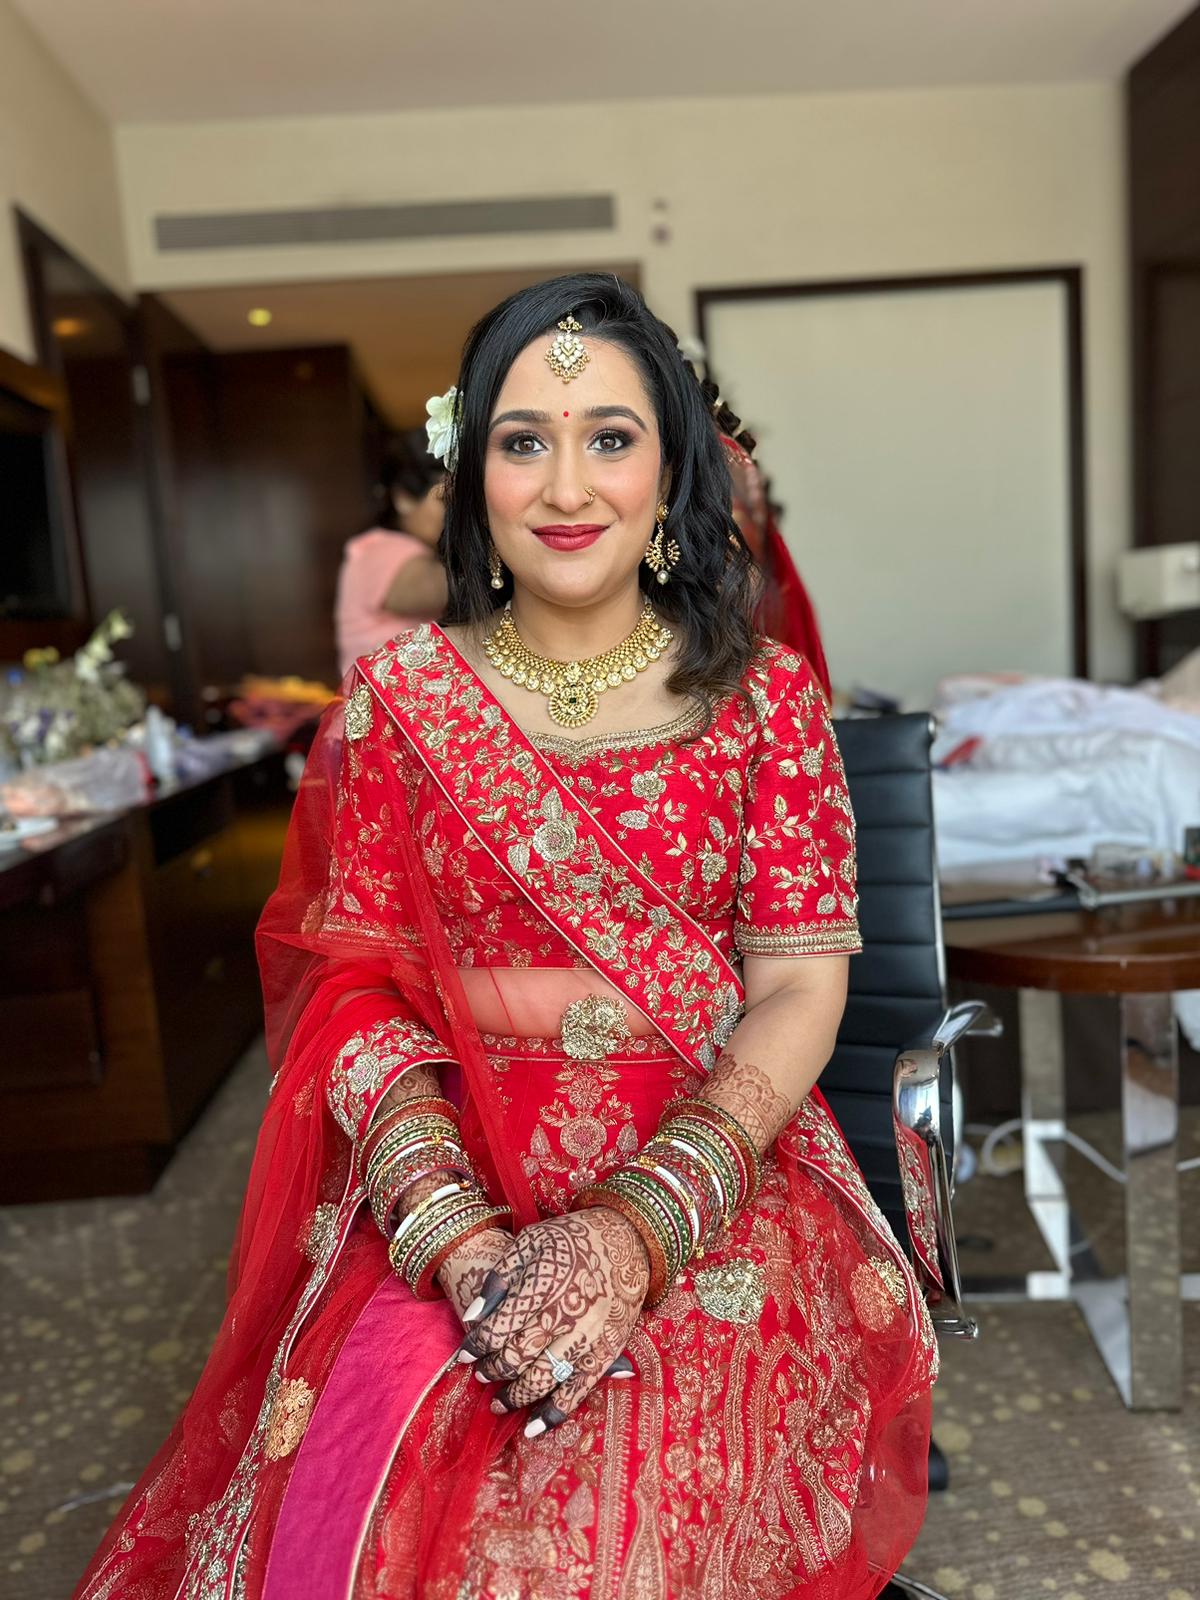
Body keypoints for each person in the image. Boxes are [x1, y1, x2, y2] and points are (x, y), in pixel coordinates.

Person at [76, 273, 935, 1600]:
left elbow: (798, 993)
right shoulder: (400, 703)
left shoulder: (767, 703)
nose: (566, 485)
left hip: (709, 1166)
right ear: (472, 473)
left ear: (672, 468)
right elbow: (347, 988)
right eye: (524, 439)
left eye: (611, 437)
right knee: (367, 1503)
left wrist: (632, 1233)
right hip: (445, 1162)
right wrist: (455, 1236)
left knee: (609, 1535)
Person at [334, 429, 448, 676]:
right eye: (446, 501)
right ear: (404, 498)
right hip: (376, 698)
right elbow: (439, 588)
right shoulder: (379, 550)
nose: (457, 514)